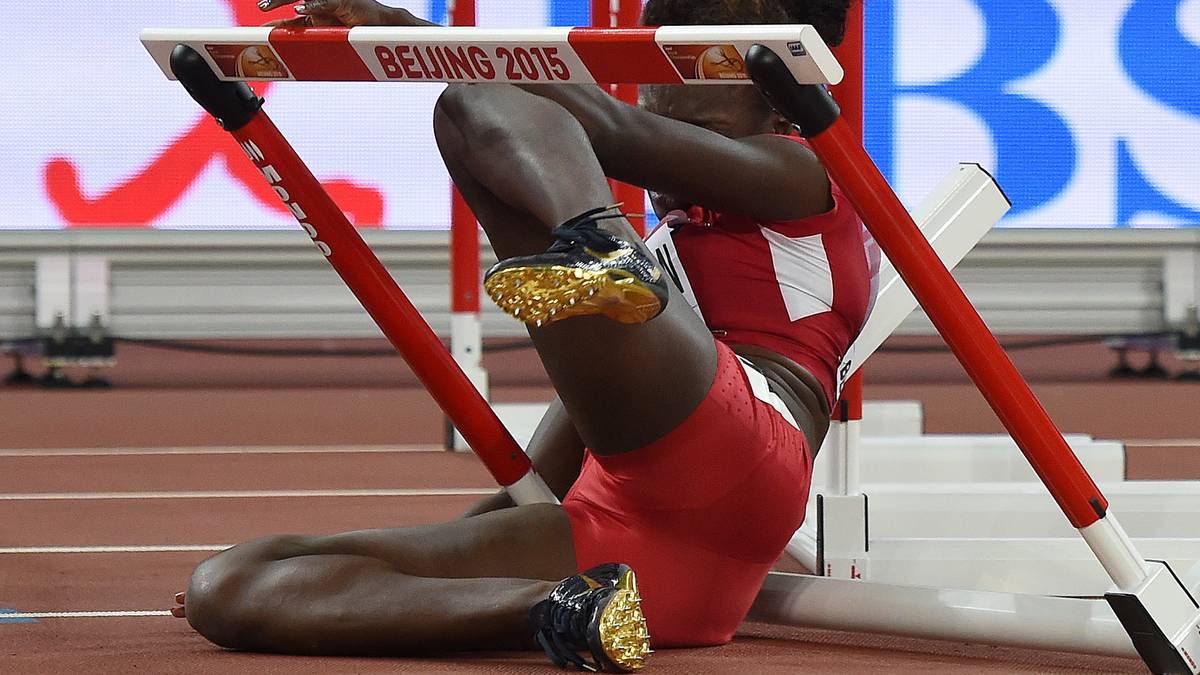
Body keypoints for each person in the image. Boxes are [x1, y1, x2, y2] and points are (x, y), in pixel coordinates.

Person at [175, 0, 874, 671]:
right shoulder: (647, 294)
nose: (672, 172)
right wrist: (437, 552)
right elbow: (537, 483)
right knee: (229, 585)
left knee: (472, 103)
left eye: (702, 130)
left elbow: (617, 132)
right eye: (660, 110)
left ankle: (598, 238)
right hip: (649, 555)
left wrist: (399, 26)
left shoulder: (809, 179)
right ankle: (560, 609)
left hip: (752, 440)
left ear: (779, 112)